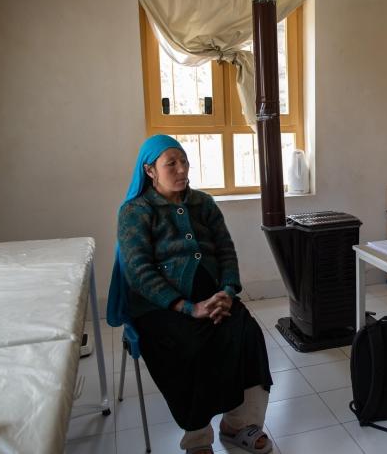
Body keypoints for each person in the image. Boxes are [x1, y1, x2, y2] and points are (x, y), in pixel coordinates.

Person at [107, 134, 273, 454]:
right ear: (150, 170)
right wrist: (188, 308)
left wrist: (226, 292)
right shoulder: (135, 212)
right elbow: (139, 273)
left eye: (184, 161)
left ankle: (238, 424)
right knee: (189, 344)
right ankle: (197, 439)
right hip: (160, 307)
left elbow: (225, 251)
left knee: (247, 333)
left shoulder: (202, 203)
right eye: (172, 163)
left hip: (212, 298)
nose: (182, 169)